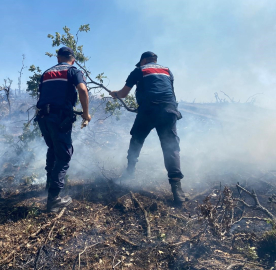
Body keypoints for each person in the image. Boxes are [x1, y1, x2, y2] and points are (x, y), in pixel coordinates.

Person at [109, 51, 187, 205]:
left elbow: (124, 93)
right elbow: (169, 92)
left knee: (136, 140)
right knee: (170, 148)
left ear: (143, 60)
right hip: (169, 110)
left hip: (149, 111)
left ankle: (129, 174)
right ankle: (177, 190)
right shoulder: (167, 71)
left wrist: (115, 94)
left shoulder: (139, 70)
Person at [35, 46, 91, 212]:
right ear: (72, 59)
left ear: (58, 58)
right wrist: (86, 114)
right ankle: (53, 200)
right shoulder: (73, 71)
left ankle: (48, 186)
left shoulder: (46, 73)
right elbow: (82, 90)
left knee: (53, 149)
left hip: (43, 118)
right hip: (59, 118)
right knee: (64, 155)